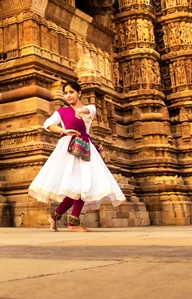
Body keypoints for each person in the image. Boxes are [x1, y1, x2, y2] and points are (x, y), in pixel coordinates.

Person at [28, 81, 125, 232]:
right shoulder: (61, 112)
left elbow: (88, 110)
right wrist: (64, 130)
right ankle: (72, 223)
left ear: (79, 93)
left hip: (85, 147)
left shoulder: (90, 109)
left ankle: (56, 217)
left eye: (71, 92)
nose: (68, 95)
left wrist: (81, 112)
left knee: (81, 186)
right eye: (66, 93)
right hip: (68, 148)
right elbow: (47, 124)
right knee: (78, 186)